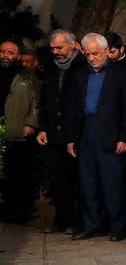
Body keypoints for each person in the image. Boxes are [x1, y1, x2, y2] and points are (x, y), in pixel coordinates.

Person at [64, 33, 126, 242]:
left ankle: (117, 227)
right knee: (88, 183)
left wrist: (124, 136)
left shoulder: (120, 73)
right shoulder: (79, 74)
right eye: (88, 54)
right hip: (86, 131)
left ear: (105, 50)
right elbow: (72, 107)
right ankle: (94, 225)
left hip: (111, 131)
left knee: (113, 183)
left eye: (95, 53)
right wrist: (71, 137)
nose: (92, 58)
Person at [38, 29, 87, 234]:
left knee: (77, 178)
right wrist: (42, 127)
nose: (56, 52)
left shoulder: (82, 67)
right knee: (58, 179)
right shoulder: (50, 68)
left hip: (74, 132)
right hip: (53, 133)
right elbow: (45, 100)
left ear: (72, 44)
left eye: (60, 47)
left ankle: (78, 220)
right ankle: (61, 218)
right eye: (53, 48)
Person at [0, 41, 40, 223]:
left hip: (19, 133)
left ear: (17, 56)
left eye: (10, 52)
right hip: (2, 133)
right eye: (2, 52)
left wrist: (31, 123)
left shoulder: (26, 77)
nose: (5, 55)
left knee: (20, 175)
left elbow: (36, 103)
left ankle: (20, 212)